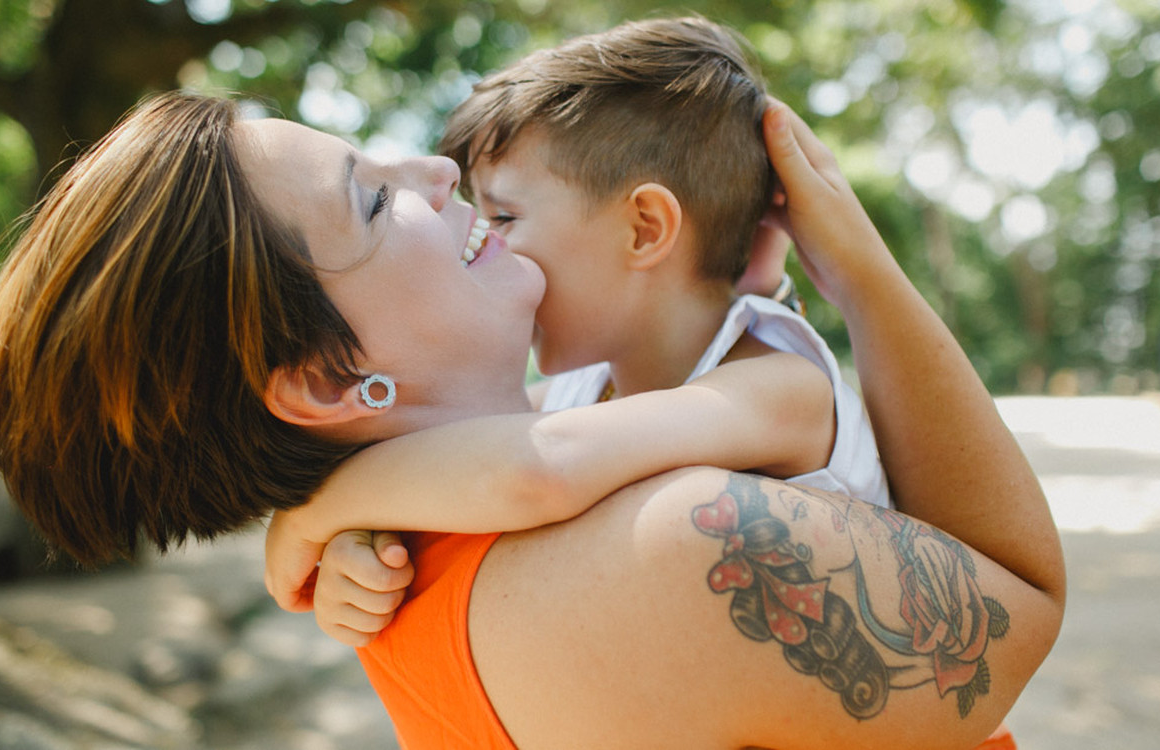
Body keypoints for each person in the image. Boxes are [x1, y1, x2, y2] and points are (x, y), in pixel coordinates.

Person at [0, 89, 1063, 749]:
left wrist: (318, 513)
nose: (438, 168)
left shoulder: (389, 571)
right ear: (323, 377)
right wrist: (864, 274)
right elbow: (1020, 610)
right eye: (372, 197)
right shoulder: (679, 548)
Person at [263, 16, 888, 619]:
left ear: (643, 230)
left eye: (504, 217)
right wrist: (365, 539)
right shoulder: (585, 391)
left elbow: (534, 471)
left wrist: (320, 510)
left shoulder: (779, 388)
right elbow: (458, 453)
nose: (486, 243)